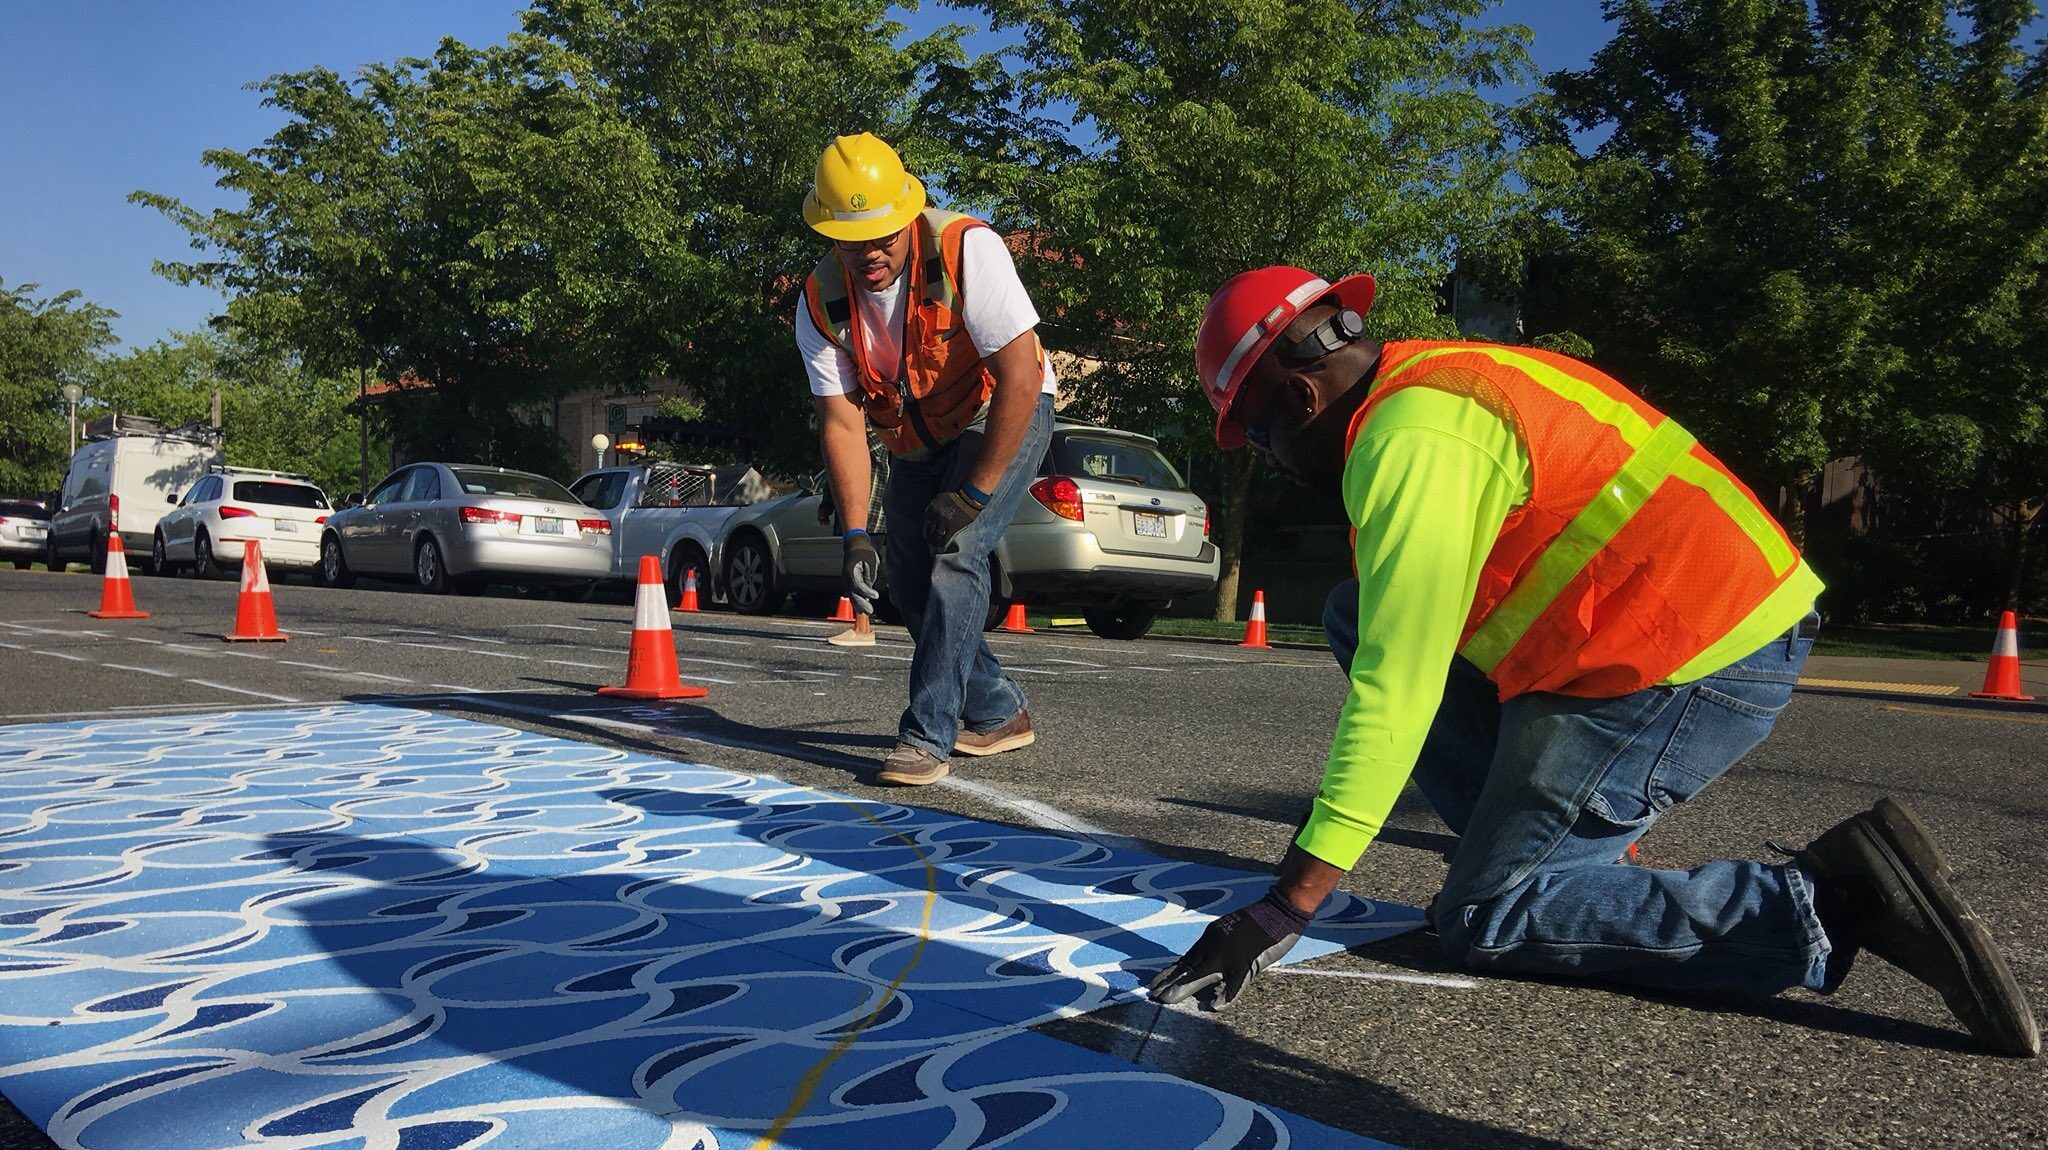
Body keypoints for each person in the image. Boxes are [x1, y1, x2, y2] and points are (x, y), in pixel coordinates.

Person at [1149, 265, 2039, 1057]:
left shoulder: (1410, 443)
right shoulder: (1442, 380)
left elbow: (1398, 688)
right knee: (1350, 609)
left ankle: (1829, 903)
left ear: (1300, 402)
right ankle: (1556, 855)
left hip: (1685, 665)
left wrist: (1285, 908)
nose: (1267, 460)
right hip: (1644, 641)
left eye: (1255, 439)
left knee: (1480, 918)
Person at [794, 132, 1056, 785]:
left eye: (885, 234)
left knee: (956, 552)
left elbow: (1020, 376)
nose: (871, 251)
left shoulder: (968, 249)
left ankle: (928, 736)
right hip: (916, 437)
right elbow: (843, 422)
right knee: (906, 582)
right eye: (853, 238)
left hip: (1001, 411)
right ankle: (999, 711)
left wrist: (974, 493)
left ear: (909, 215)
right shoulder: (822, 301)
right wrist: (856, 534)